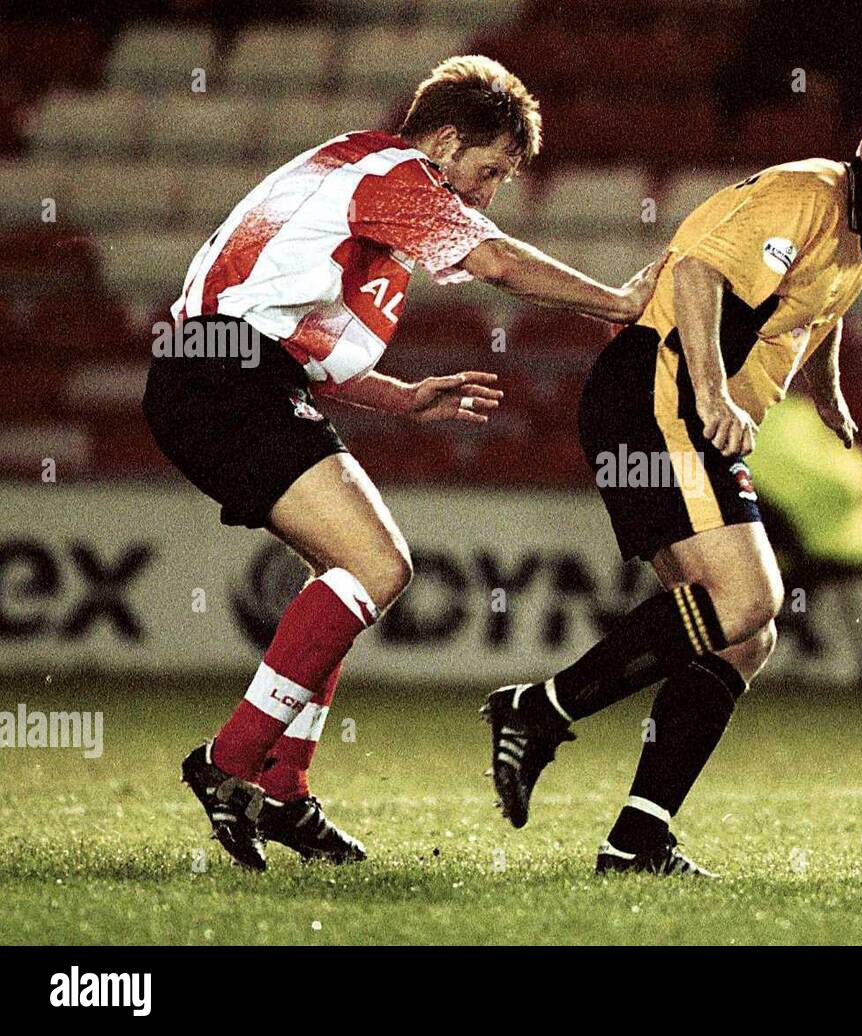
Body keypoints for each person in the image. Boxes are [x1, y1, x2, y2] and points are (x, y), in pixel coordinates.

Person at [143, 55, 663, 871]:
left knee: (347, 578)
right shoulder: (397, 172)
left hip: (221, 371)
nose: (488, 196)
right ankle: (230, 763)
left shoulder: (355, 179)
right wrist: (620, 303)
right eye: (489, 172)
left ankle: (283, 790)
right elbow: (495, 262)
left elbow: (308, 351)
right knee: (377, 566)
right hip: (220, 374)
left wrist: (406, 397)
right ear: (447, 141)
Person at [483, 94, 862, 876]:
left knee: (743, 637)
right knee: (749, 599)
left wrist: (827, 390)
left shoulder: (860, 238)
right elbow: (700, 273)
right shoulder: (805, 195)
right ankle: (538, 711)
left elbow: (818, 313)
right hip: (662, 393)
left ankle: (636, 840)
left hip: (672, 407)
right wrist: (713, 393)